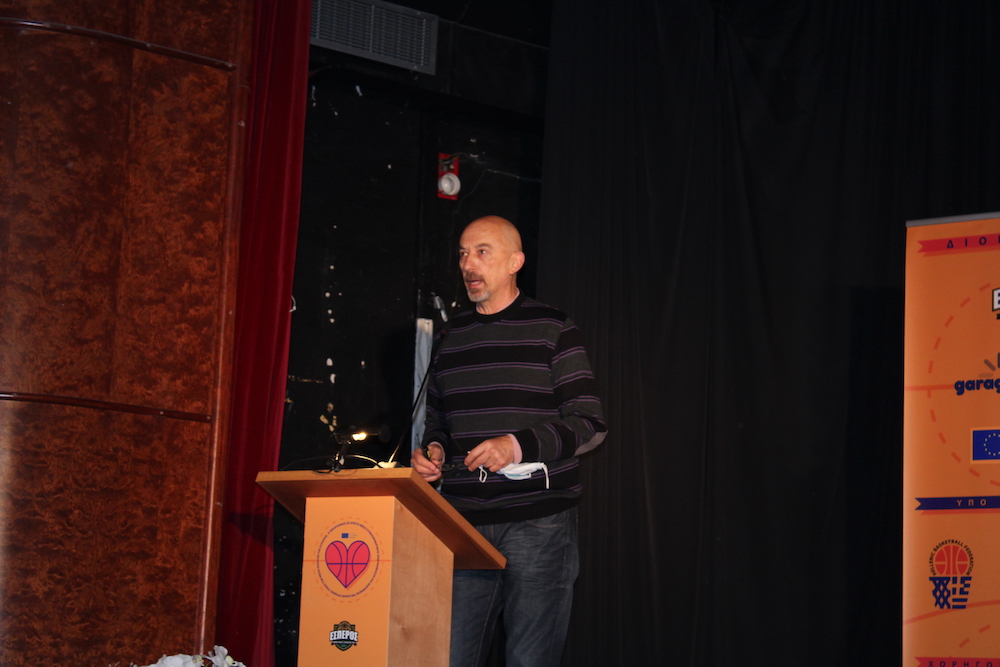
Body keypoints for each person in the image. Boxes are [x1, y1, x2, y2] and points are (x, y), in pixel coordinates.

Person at [411, 215, 607, 667]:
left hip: (538, 523)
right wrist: (435, 451)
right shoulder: (450, 338)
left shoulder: (554, 328)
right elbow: (440, 420)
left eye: (482, 252)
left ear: (516, 261)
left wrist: (515, 446)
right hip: (464, 525)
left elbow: (590, 424)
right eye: (463, 253)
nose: (468, 264)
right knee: (449, 658)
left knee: (528, 660)